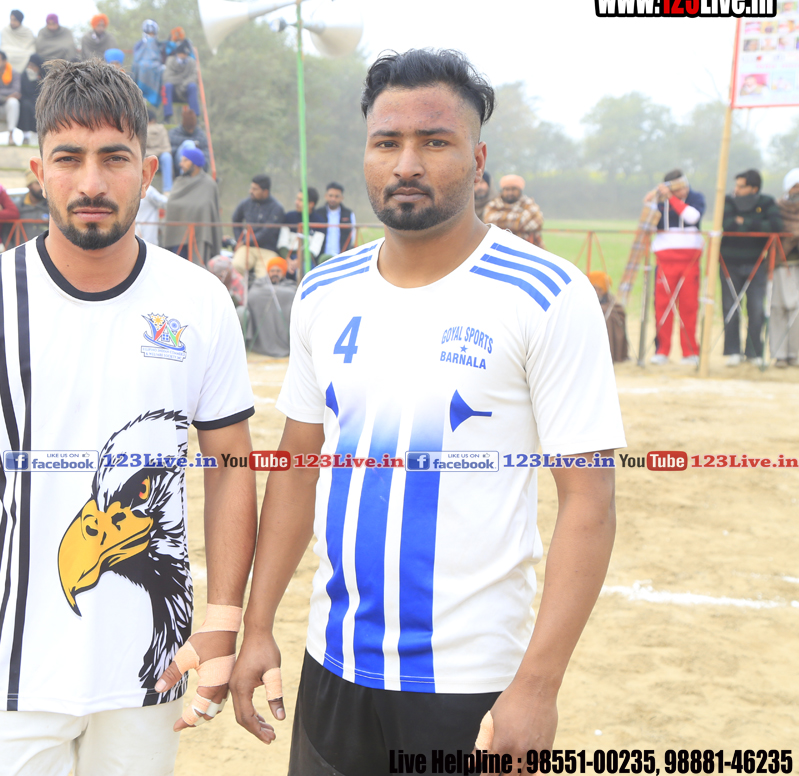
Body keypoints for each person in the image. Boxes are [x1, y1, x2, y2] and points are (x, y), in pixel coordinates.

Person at [229, 48, 625, 772]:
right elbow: (296, 469)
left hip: (470, 681)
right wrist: (258, 625)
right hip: (334, 663)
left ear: (477, 159)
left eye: (434, 142)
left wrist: (538, 686)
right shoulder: (324, 292)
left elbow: (589, 502)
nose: (406, 164)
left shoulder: (547, 294)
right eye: (387, 142)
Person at [0, 57, 257, 774]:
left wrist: (223, 620)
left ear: (147, 171)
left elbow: (230, 468)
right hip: (7, 675)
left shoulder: (199, 301)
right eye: (69, 158)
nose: (91, 182)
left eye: (114, 158)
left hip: (152, 674)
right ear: (39, 170)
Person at [720, 168, 782, 367]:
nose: (736, 190)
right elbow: (727, 224)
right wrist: (756, 224)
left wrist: (744, 222)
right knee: (730, 308)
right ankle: (733, 351)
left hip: (757, 263)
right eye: (736, 185)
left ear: (754, 189)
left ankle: (754, 352)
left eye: (741, 186)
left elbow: (775, 226)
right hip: (729, 263)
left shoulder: (767, 202)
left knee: (756, 309)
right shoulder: (728, 201)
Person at [646, 168, 705, 365]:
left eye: (684, 187)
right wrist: (652, 200)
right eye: (677, 189)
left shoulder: (696, 198)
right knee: (662, 306)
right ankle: (662, 350)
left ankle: (690, 352)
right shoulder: (659, 202)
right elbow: (647, 221)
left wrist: (671, 198)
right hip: (665, 260)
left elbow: (692, 217)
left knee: (689, 306)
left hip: (690, 261)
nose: (683, 191)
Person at [164, 144, 220, 262]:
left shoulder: (209, 185)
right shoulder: (179, 182)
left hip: (200, 237)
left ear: (195, 163)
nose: (181, 164)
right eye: (181, 160)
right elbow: (171, 205)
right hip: (177, 239)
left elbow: (210, 212)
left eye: (185, 160)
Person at [772, 168, 799, 367]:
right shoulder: (777, 208)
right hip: (780, 264)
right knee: (777, 308)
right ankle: (779, 354)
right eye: (795, 186)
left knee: (797, 310)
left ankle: (794, 354)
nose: (798, 190)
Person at [244, 256, 295, 357]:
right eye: (272, 271)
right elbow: (253, 295)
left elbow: (291, 294)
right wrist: (274, 292)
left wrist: (274, 292)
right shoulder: (258, 284)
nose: (275, 273)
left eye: (278, 271)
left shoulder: (290, 285)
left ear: (284, 272)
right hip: (261, 336)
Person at [482, 174, 544, 247]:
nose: (510, 193)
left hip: (527, 248)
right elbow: (489, 222)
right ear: (502, 190)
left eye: (514, 189)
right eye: (507, 189)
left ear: (520, 190)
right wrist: (519, 221)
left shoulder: (529, 204)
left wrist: (503, 221)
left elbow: (537, 222)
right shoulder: (493, 205)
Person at [232, 174, 285, 255]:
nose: (250, 191)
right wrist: (240, 239)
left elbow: (267, 233)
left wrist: (245, 241)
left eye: (255, 189)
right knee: (237, 262)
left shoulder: (277, 208)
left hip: (267, 250)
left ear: (265, 191)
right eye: (251, 188)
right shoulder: (246, 203)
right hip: (246, 248)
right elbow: (235, 220)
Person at [311, 181, 357, 260]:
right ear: (326, 196)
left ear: (342, 198)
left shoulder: (348, 214)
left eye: (336, 196)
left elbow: (353, 236)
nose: (333, 199)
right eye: (331, 196)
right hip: (320, 258)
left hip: (342, 257)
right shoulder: (318, 213)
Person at [590, 270, 627, 363]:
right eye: (594, 288)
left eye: (600, 289)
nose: (597, 292)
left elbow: (619, 312)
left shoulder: (612, 305)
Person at [162, 40, 198, 122]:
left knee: (193, 86)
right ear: (178, 53)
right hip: (173, 92)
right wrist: (182, 80)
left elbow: (194, 77)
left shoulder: (191, 62)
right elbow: (167, 78)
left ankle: (195, 115)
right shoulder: (170, 61)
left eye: (186, 54)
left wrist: (184, 83)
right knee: (167, 86)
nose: (185, 55)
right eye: (183, 53)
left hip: (185, 90)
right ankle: (167, 116)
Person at [131, 20, 163, 107]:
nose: (150, 35)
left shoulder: (158, 44)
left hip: (155, 65)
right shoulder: (139, 44)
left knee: (160, 69)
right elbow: (136, 58)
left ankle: (154, 96)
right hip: (141, 65)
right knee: (142, 67)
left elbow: (160, 57)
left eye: (152, 33)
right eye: (148, 33)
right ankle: (141, 94)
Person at [168, 107, 208, 175]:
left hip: (196, 165)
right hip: (178, 163)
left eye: (192, 128)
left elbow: (206, 154)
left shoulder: (201, 135)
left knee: (191, 146)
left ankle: (189, 174)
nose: (190, 131)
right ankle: (185, 175)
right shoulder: (174, 133)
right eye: (188, 128)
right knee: (188, 144)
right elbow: (170, 150)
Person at [16, 54, 43, 145]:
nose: (30, 68)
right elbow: (22, 92)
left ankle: (38, 136)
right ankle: (25, 136)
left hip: (39, 101)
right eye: (29, 65)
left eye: (33, 66)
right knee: (25, 106)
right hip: (26, 101)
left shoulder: (43, 76)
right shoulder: (24, 76)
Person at [17, 168, 50, 240]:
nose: (42, 187)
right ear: (29, 185)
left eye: (44, 183)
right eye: (38, 183)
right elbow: (6, 232)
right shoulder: (18, 207)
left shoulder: (51, 207)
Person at [145, 107, 172, 191]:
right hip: (147, 156)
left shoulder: (161, 129)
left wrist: (153, 153)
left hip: (158, 156)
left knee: (167, 157)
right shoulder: (139, 129)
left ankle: (167, 189)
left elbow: (167, 148)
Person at [135, 182, 168, 247]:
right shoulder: (148, 190)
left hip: (138, 228)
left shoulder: (133, 190)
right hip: (148, 228)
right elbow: (165, 202)